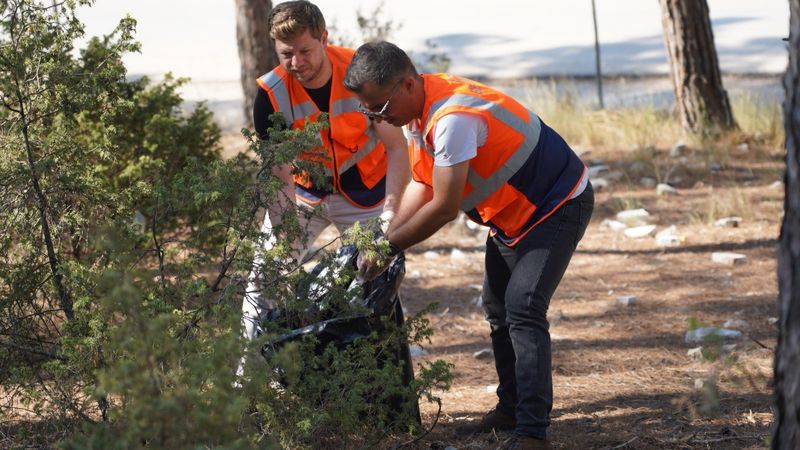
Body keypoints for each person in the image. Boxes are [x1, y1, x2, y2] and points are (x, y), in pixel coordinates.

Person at [343, 42, 594, 450]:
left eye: (380, 107)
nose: (377, 118)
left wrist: (389, 247)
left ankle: (532, 433)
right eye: (369, 111)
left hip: (557, 204)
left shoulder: (452, 119)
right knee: (497, 307)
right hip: (513, 217)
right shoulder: (414, 108)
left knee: (524, 307)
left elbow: (444, 207)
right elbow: (424, 184)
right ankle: (510, 408)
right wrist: (386, 234)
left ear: (407, 83)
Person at [239, 2, 409, 371]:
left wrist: (389, 218)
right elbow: (278, 174)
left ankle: (388, 382)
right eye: (286, 54)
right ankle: (248, 385)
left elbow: (397, 149)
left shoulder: (362, 72)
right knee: (263, 279)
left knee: (378, 278)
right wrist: (283, 239)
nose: (296, 63)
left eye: (305, 51)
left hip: (365, 194)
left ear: (324, 38)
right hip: (304, 194)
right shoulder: (270, 94)